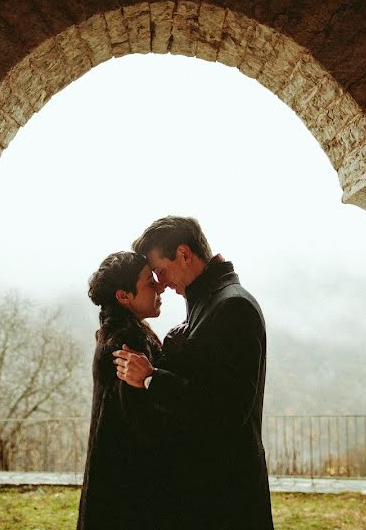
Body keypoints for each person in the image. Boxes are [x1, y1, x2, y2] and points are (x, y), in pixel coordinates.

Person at [113, 216, 274, 529]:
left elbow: (228, 410)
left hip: (226, 493)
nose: (160, 283)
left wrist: (151, 378)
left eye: (161, 270)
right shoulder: (210, 301)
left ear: (185, 254)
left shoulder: (232, 306)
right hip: (208, 487)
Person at [76, 251, 167, 530]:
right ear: (123, 296)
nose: (160, 286)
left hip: (114, 476)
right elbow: (142, 419)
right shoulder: (128, 341)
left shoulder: (117, 332)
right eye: (149, 282)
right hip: (129, 483)